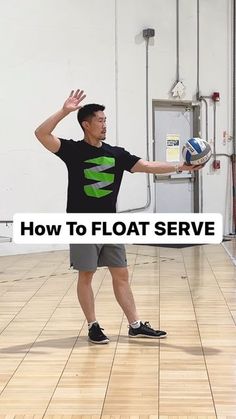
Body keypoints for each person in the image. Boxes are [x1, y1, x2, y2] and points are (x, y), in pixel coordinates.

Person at [35, 89, 201, 344]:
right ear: (86, 124)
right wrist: (64, 111)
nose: (104, 125)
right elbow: (41, 134)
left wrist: (181, 166)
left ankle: (135, 325)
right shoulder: (72, 151)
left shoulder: (116, 153)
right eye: (100, 121)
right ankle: (93, 325)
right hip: (81, 224)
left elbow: (146, 166)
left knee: (121, 274)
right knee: (86, 275)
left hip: (110, 224)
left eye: (105, 120)